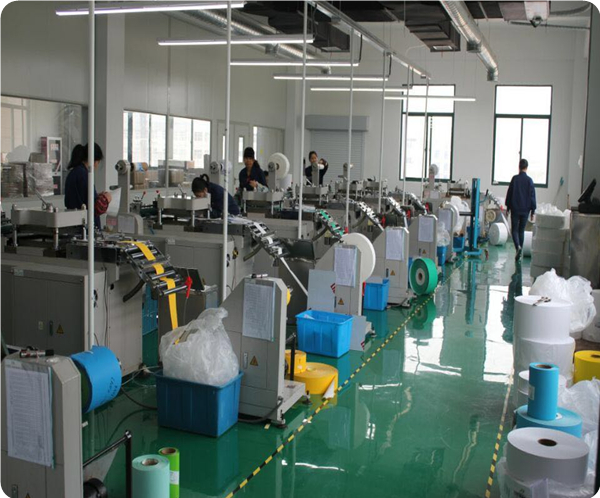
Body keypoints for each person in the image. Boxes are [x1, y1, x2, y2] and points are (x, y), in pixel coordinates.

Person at [64, 143, 112, 228]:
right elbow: (95, 208)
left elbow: (81, 198)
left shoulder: (73, 173)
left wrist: (97, 196)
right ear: (95, 161)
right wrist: (106, 199)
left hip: (74, 225)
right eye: (98, 162)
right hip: (85, 227)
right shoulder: (84, 175)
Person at [506, 158, 536, 260]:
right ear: (526, 168)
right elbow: (532, 196)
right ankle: (520, 250)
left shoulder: (515, 179)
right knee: (521, 230)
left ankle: (517, 248)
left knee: (514, 230)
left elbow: (509, 193)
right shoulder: (529, 181)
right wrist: (533, 211)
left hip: (515, 208)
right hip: (525, 209)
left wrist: (508, 207)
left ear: (519, 167)